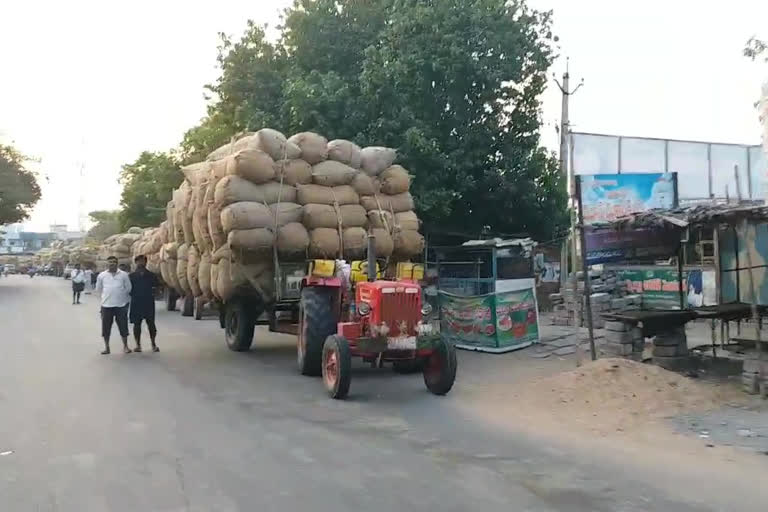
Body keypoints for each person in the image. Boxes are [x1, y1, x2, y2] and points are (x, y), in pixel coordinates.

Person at [95, 256, 132, 355]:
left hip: (121, 306)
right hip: (106, 306)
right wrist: (105, 298)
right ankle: (107, 347)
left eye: (114, 262)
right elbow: (98, 289)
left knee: (123, 327)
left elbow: (128, 288)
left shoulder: (124, 275)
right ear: (107, 263)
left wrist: (121, 296)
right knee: (106, 328)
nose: (112, 263)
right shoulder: (102, 275)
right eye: (110, 262)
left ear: (117, 263)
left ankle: (125, 346)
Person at [128, 255, 160, 353]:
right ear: (136, 263)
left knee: (151, 324)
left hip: (148, 303)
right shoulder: (131, 276)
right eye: (139, 261)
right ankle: (138, 345)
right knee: (137, 325)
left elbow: (157, 288)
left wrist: (153, 293)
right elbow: (127, 290)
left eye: (143, 261)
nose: (141, 263)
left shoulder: (152, 275)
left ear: (146, 263)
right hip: (136, 303)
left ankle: (153, 344)